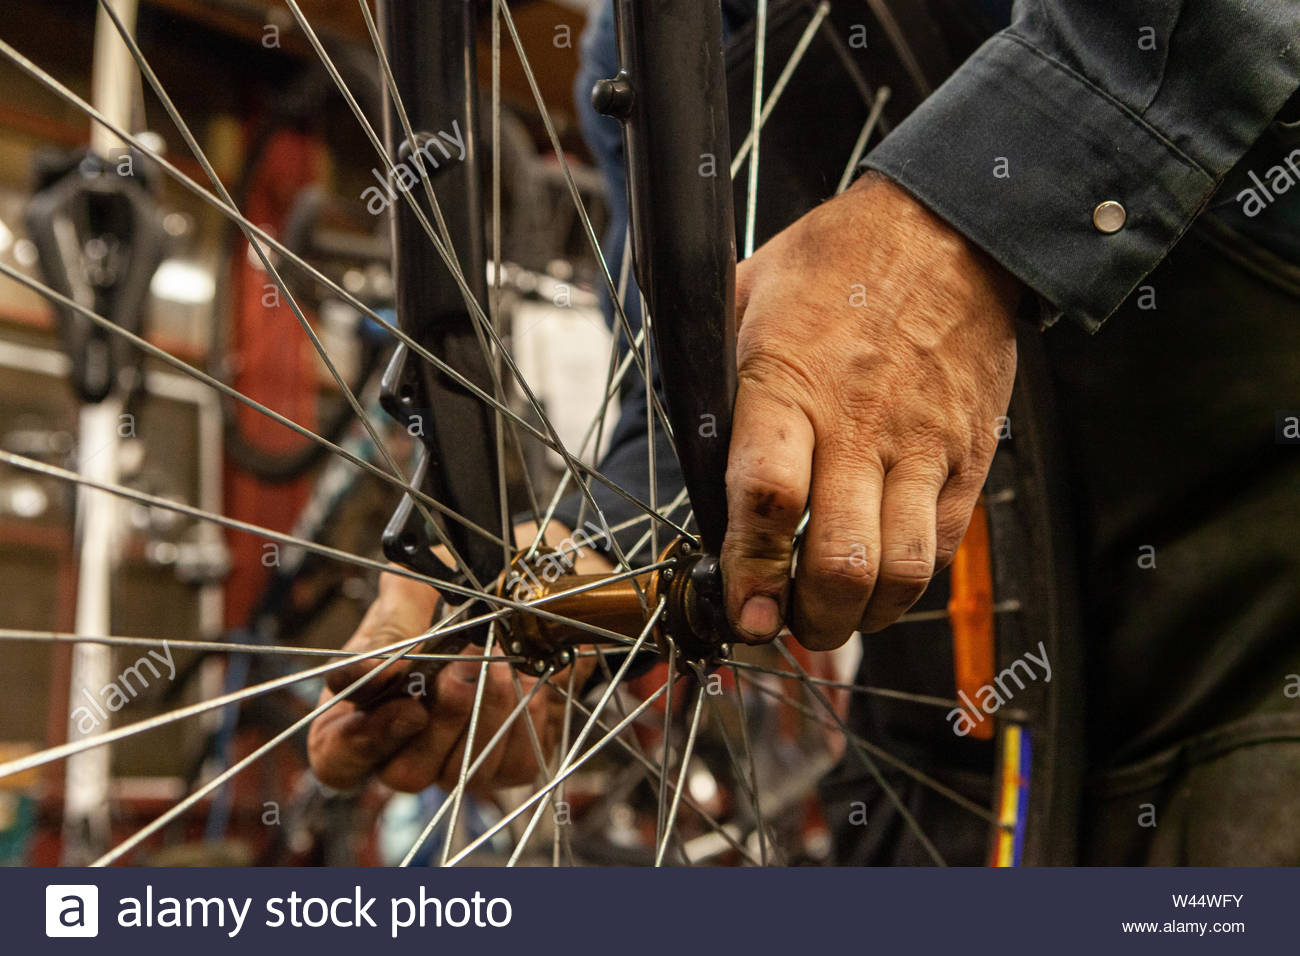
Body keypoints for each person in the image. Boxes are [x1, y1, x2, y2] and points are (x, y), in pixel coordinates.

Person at [310, 0, 1300, 864]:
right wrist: (566, 568)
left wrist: (962, 224)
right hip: (950, 756)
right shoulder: (641, 46)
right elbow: (689, 417)